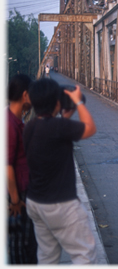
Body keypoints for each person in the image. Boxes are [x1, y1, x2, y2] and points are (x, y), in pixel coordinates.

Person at [24, 78, 98, 264]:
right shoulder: (58, 127)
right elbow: (90, 129)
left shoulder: (30, 126)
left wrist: (66, 115)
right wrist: (79, 102)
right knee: (84, 254)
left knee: (47, 256)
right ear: (56, 101)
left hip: (36, 202)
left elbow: (52, 134)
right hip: (61, 205)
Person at [7, 74, 38, 264]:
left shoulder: (15, 121)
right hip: (18, 196)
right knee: (21, 246)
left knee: (27, 243)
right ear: (25, 95)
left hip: (23, 192)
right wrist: (15, 200)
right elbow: (7, 165)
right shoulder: (9, 124)